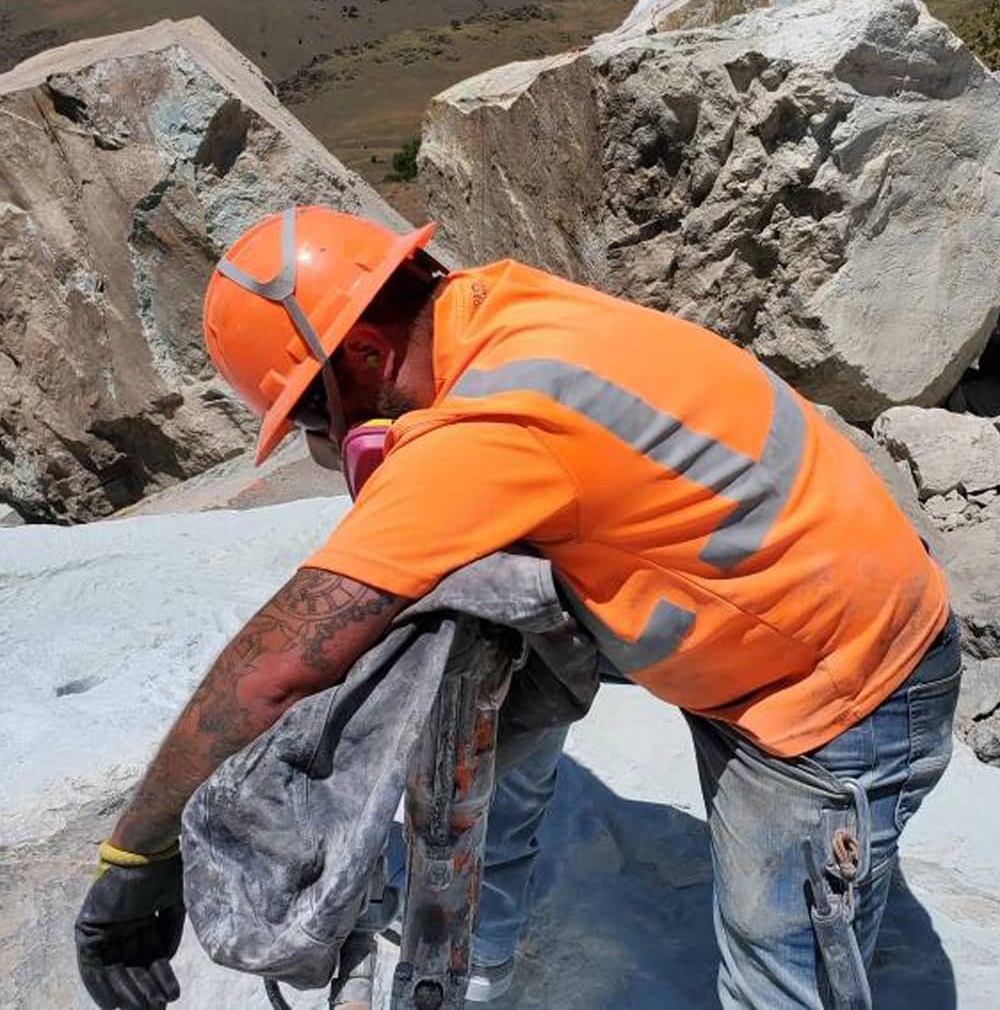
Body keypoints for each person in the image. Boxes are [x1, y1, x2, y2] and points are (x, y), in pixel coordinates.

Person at [75, 206, 960, 1010]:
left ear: (368, 359)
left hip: (834, 692)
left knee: (779, 977)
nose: (323, 445)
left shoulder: (487, 430)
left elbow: (277, 667)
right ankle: (478, 934)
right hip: (767, 594)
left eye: (316, 417)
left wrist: (136, 857)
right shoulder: (498, 305)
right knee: (471, 606)